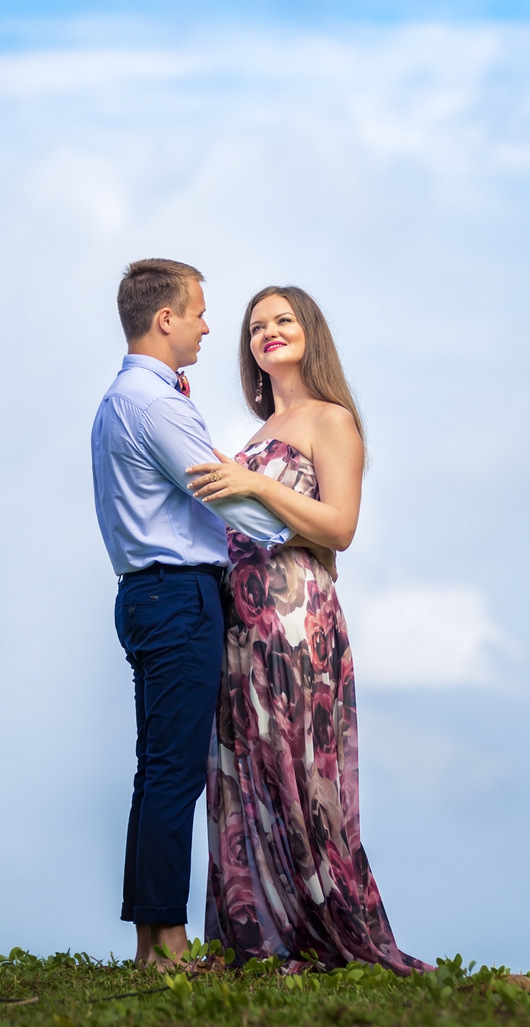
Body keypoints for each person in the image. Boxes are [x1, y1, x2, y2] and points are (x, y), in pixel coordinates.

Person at [185, 286, 428, 973]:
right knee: (249, 769)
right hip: (243, 626)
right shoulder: (255, 434)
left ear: (308, 331)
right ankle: (259, 936)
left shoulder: (331, 420)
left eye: (282, 320)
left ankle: (324, 928)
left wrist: (256, 487)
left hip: (298, 621)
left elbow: (340, 527)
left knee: (300, 773)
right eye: (257, 325)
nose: (268, 332)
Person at [91, 259, 299, 965]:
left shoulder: (125, 399)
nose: (212, 325)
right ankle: (170, 939)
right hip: (178, 593)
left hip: (150, 592)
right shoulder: (154, 403)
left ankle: (153, 937)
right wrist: (297, 529)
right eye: (201, 311)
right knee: (176, 770)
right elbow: (220, 490)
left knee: (159, 767)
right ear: (165, 319)